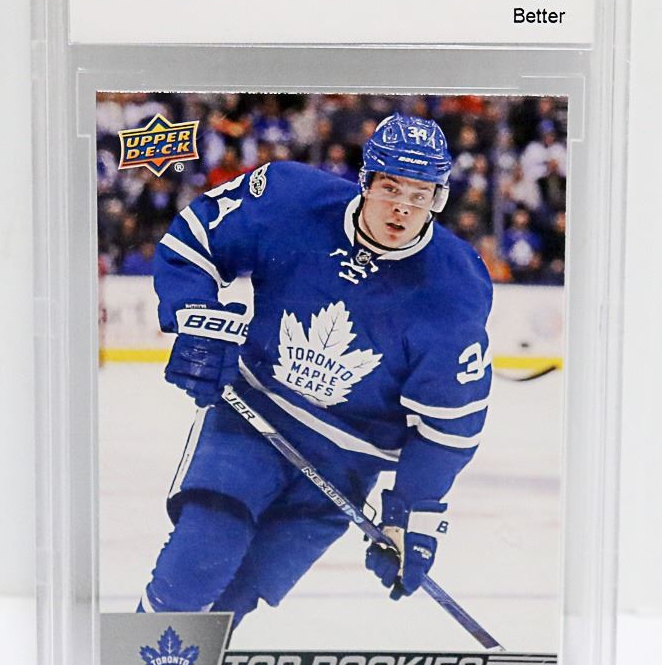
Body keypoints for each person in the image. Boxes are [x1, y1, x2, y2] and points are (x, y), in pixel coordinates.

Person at [139, 114, 493, 622]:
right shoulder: (290, 199)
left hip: (346, 462)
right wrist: (197, 323)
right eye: (391, 188)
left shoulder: (454, 286)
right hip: (253, 416)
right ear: (365, 181)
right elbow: (193, 241)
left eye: (421, 196)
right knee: (196, 565)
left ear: (439, 198)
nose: (403, 207)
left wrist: (413, 513)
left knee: (237, 599)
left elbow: (450, 425)